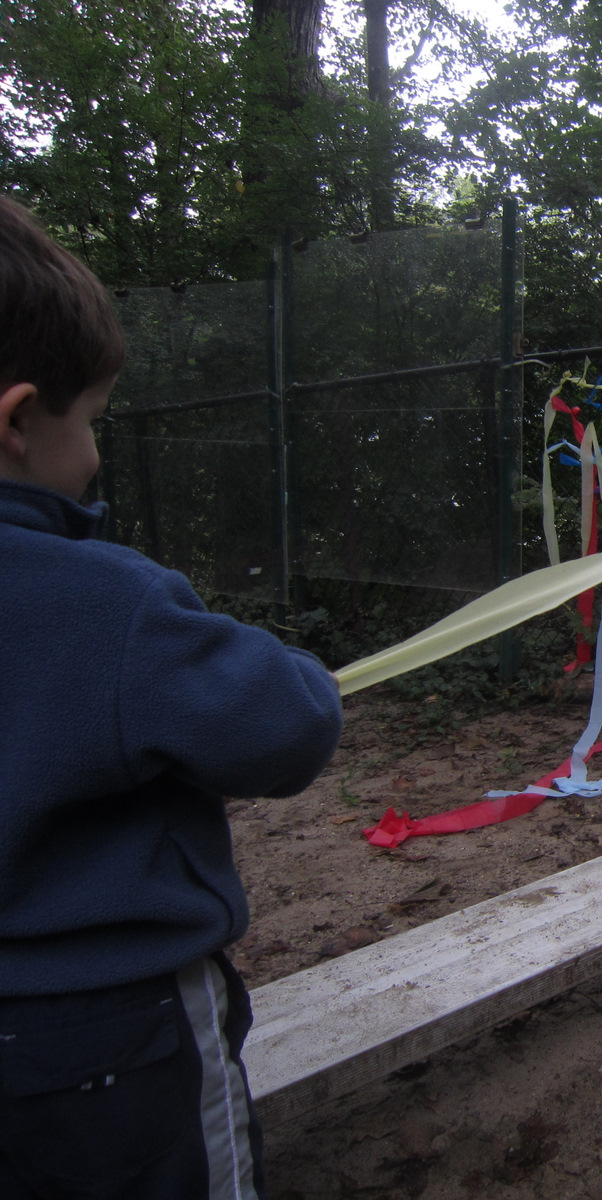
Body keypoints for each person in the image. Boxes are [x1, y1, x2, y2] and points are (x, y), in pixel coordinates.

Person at [0, 195, 344, 1199]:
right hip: (111, 1038)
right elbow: (285, 727)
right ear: (20, 421)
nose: (96, 453)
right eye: (91, 422)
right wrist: (309, 684)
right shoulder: (106, 603)